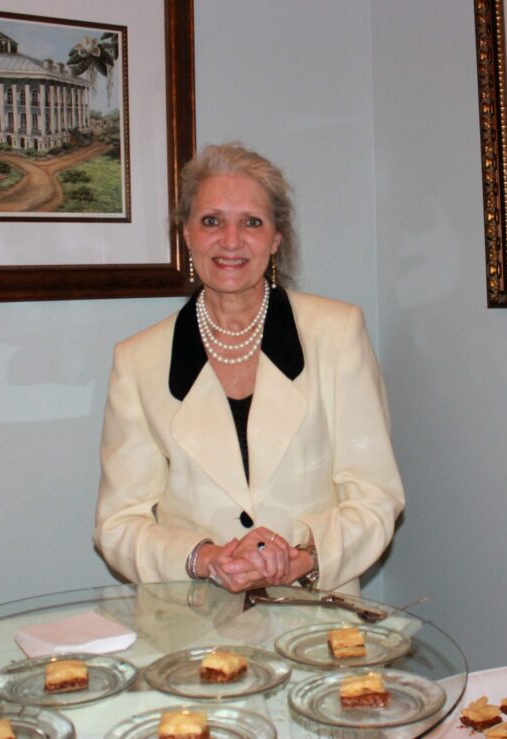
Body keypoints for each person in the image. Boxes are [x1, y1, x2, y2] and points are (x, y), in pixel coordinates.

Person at [93, 143, 404, 595]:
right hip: (193, 626)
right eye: (212, 221)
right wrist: (204, 558)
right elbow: (118, 524)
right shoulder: (137, 360)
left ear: (276, 238)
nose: (231, 240)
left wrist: (306, 558)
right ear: (186, 234)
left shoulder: (337, 333)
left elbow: (375, 497)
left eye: (252, 223)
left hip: (313, 626)